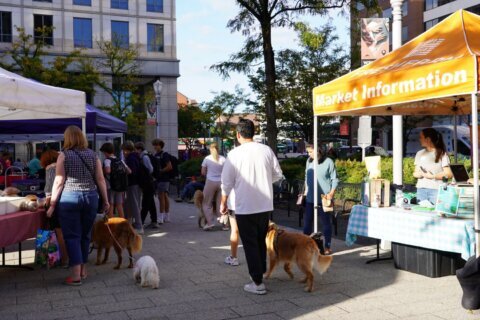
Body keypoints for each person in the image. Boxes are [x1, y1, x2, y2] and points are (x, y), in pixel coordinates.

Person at [220, 119, 283, 295]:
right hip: (264, 204)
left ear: (238, 134)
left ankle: (257, 281)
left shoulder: (234, 154)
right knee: (260, 241)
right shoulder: (266, 150)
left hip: (244, 205)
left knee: (250, 244)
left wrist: (223, 202)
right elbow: (278, 174)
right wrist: (263, 180)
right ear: (253, 132)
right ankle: (260, 273)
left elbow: (226, 182)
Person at [47, 125, 109, 286]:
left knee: (72, 236)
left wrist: (52, 204)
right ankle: (82, 270)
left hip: (70, 197)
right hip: (91, 198)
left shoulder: (64, 155)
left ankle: (75, 275)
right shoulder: (93, 155)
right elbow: (101, 180)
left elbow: (59, 180)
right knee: (85, 235)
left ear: (67, 138)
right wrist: (106, 200)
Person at [303, 143, 339, 256]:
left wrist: (331, 193)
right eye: (308, 151)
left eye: (310, 151)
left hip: (324, 198)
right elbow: (306, 177)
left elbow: (335, 179)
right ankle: (305, 245)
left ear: (318, 150)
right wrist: (305, 191)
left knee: (326, 223)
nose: (308, 154)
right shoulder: (309, 161)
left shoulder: (328, 162)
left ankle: (327, 246)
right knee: (307, 223)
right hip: (310, 198)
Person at [41, 149, 68, 267]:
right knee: (68, 232)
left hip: (56, 204)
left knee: (59, 232)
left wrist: (47, 204)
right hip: (68, 200)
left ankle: (63, 260)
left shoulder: (50, 169)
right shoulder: (63, 166)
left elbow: (49, 190)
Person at [413, 128, 452, 204]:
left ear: (428, 139)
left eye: (421, 137)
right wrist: (420, 174)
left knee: (435, 214)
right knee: (421, 214)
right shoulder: (419, 153)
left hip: (436, 190)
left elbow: (449, 174)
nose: (419, 139)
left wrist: (432, 176)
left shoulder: (442, 154)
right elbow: (415, 173)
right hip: (421, 189)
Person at [100, 142, 129, 218]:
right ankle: (122, 223)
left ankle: (111, 223)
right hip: (120, 186)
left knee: (110, 204)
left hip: (110, 185)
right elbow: (129, 171)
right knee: (119, 204)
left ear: (105, 152)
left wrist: (100, 172)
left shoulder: (107, 160)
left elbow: (108, 171)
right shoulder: (120, 160)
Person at [201, 142, 226, 231]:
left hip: (210, 182)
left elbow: (203, 172)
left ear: (210, 149)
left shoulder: (207, 159)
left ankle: (210, 223)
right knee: (221, 203)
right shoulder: (223, 159)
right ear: (218, 149)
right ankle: (225, 224)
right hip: (221, 182)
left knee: (207, 203)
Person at [135, 142, 159, 228]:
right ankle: (154, 221)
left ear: (139, 149)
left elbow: (150, 169)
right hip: (149, 182)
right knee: (150, 202)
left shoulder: (144, 157)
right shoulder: (144, 156)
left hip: (148, 182)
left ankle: (141, 221)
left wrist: (144, 175)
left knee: (145, 203)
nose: (135, 151)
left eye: (136, 149)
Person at [122, 141, 144, 234]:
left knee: (134, 205)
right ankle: (130, 224)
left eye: (123, 150)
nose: (123, 152)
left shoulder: (131, 158)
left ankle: (139, 226)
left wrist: (124, 166)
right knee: (131, 204)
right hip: (136, 184)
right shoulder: (136, 156)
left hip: (133, 184)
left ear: (126, 150)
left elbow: (131, 172)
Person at [152, 139, 172, 223]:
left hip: (163, 178)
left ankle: (161, 217)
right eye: (154, 145)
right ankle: (166, 216)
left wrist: (160, 171)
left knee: (161, 197)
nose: (155, 146)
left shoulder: (164, 154)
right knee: (164, 196)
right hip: (161, 178)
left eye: (157, 145)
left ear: (161, 145)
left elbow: (169, 166)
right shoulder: (156, 154)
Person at [224, 190, 240, 266]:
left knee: (235, 230)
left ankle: (234, 258)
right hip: (252, 203)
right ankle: (257, 257)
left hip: (234, 202)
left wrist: (223, 203)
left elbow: (225, 185)